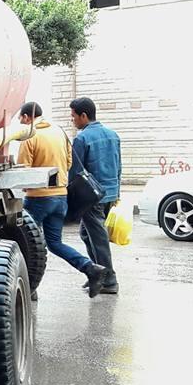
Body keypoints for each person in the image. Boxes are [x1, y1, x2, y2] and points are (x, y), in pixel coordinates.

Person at [17, 102, 108, 297]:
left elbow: (22, 172)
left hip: (38, 198)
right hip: (60, 197)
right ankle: (90, 268)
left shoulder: (29, 137)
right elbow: (69, 162)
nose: (20, 122)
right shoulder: (59, 131)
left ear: (27, 117)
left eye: (20, 119)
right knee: (55, 243)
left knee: (26, 241)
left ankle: (29, 288)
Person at [70, 97, 122, 294]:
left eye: (74, 116)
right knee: (86, 234)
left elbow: (75, 171)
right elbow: (119, 165)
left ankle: (109, 280)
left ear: (84, 116)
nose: (73, 120)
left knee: (98, 238)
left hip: (92, 197)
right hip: (109, 192)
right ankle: (97, 273)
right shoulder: (113, 135)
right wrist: (117, 192)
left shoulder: (82, 139)